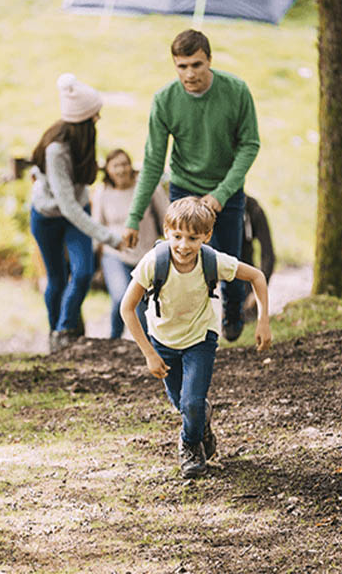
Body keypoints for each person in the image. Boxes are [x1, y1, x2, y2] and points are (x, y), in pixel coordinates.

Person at [122, 28, 260, 343]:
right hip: (184, 187)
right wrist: (133, 218)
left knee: (228, 258)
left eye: (196, 65)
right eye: (182, 66)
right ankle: (186, 328)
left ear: (209, 60)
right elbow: (153, 162)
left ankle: (234, 310)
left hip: (226, 188)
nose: (190, 73)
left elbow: (249, 145)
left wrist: (221, 194)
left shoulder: (236, 91)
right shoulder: (165, 100)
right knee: (181, 258)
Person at [120, 197, 271, 479]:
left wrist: (263, 321)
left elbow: (257, 276)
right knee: (182, 403)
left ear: (206, 236)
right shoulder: (154, 262)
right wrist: (148, 353)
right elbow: (127, 308)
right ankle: (201, 425)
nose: (184, 245)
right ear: (166, 232)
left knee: (190, 403)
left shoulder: (212, 261)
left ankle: (190, 446)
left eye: (192, 238)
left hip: (200, 339)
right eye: (177, 236)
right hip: (163, 341)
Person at [30, 73, 123, 353]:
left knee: (83, 272)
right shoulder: (56, 149)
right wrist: (110, 237)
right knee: (57, 278)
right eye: (95, 115)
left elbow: (77, 198)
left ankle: (67, 326)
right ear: (83, 119)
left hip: (75, 213)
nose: (98, 119)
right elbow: (66, 205)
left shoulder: (83, 140)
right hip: (48, 218)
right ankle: (57, 333)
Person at [91, 148, 169, 339]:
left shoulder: (148, 188)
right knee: (120, 297)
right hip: (115, 255)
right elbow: (96, 227)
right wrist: (93, 258)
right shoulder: (103, 192)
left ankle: (146, 345)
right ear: (108, 169)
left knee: (143, 305)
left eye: (125, 164)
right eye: (116, 165)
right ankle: (114, 339)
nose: (121, 169)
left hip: (146, 257)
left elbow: (167, 218)